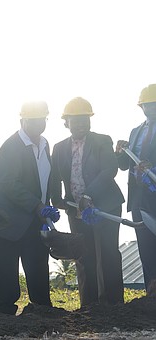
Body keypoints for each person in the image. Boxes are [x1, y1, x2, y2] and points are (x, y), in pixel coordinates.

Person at [50, 97, 124, 308]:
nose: (82, 123)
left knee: (108, 253)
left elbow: (109, 169)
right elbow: (55, 178)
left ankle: (114, 304)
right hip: (77, 210)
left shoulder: (102, 141)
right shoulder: (59, 148)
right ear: (66, 122)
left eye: (85, 119)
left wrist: (89, 195)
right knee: (84, 256)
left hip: (104, 207)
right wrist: (57, 201)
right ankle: (89, 306)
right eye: (76, 120)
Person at [0, 101, 59, 315]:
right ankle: (6, 316)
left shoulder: (45, 144)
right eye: (32, 120)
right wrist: (37, 205)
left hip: (34, 220)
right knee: (6, 271)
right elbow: (8, 182)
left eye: (41, 119)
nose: (37, 124)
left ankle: (41, 311)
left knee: (38, 266)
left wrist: (51, 205)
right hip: (7, 221)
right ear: (22, 121)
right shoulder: (11, 147)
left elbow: (47, 180)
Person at [116, 84, 156, 295]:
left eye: (154, 105)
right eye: (147, 105)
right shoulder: (135, 132)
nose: (150, 109)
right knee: (147, 250)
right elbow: (125, 165)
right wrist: (121, 152)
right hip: (139, 199)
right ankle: (152, 295)